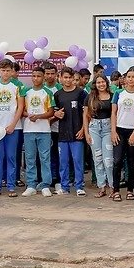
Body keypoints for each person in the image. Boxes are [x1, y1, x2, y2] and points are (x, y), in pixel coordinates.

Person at [0, 58, 25, 198]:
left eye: (8, 70)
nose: (5, 73)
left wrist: (13, 124)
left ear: (12, 71)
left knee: (11, 157)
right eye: (3, 70)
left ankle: (11, 186)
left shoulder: (18, 85)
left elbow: (20, 106)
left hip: (13, 128)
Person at [110, 66, 134, 201]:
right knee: (117, 161)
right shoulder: (118, 93)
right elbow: (113, 113)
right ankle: (115, 190)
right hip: (119, 130)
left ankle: (130, 190)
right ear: (124, 79)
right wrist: (113, 131)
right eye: (128, 77)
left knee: (131, 161)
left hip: (133, 131)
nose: (130, 79)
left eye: (133, 77)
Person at [53, 67, 88, 196]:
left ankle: (79, 186)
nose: (67, 80)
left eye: (70, 77)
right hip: (62, 134)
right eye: (65, 77)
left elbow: (86, 113)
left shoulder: (81, 93)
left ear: (74, 78)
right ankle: (64, 187)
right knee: (63, 162)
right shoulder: (58, 94)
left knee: (78, 161)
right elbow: (54, 112)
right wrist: (56, 114)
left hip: (77, 133)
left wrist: (83, 129)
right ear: (60, 78)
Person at [22, 67, 55, 197]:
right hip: (29, 130)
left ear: (43, 77)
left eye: (39, 76)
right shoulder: (26, 92)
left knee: (45, 158)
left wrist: (39, 116)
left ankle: (45, 184)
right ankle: (31, 184)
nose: (36, 78)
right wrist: (28, 115)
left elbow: (51, 112)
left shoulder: (47, 92)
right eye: (34, 76)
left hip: (44, 130)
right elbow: (21, 109)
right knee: (30, 158)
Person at [85, 75, 115, 197]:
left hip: (108, 129)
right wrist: (86, 132)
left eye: (103, 82)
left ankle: (113, 187)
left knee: (108, 160)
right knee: (97, 159)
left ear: (106, 83)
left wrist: (113, 131)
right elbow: (85, 115)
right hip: (94, 129)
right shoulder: (90, 97)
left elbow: (114, 114)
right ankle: (102, 187)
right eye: (98, 82)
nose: (101, 84)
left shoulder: (113, 96)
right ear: (95, 84)